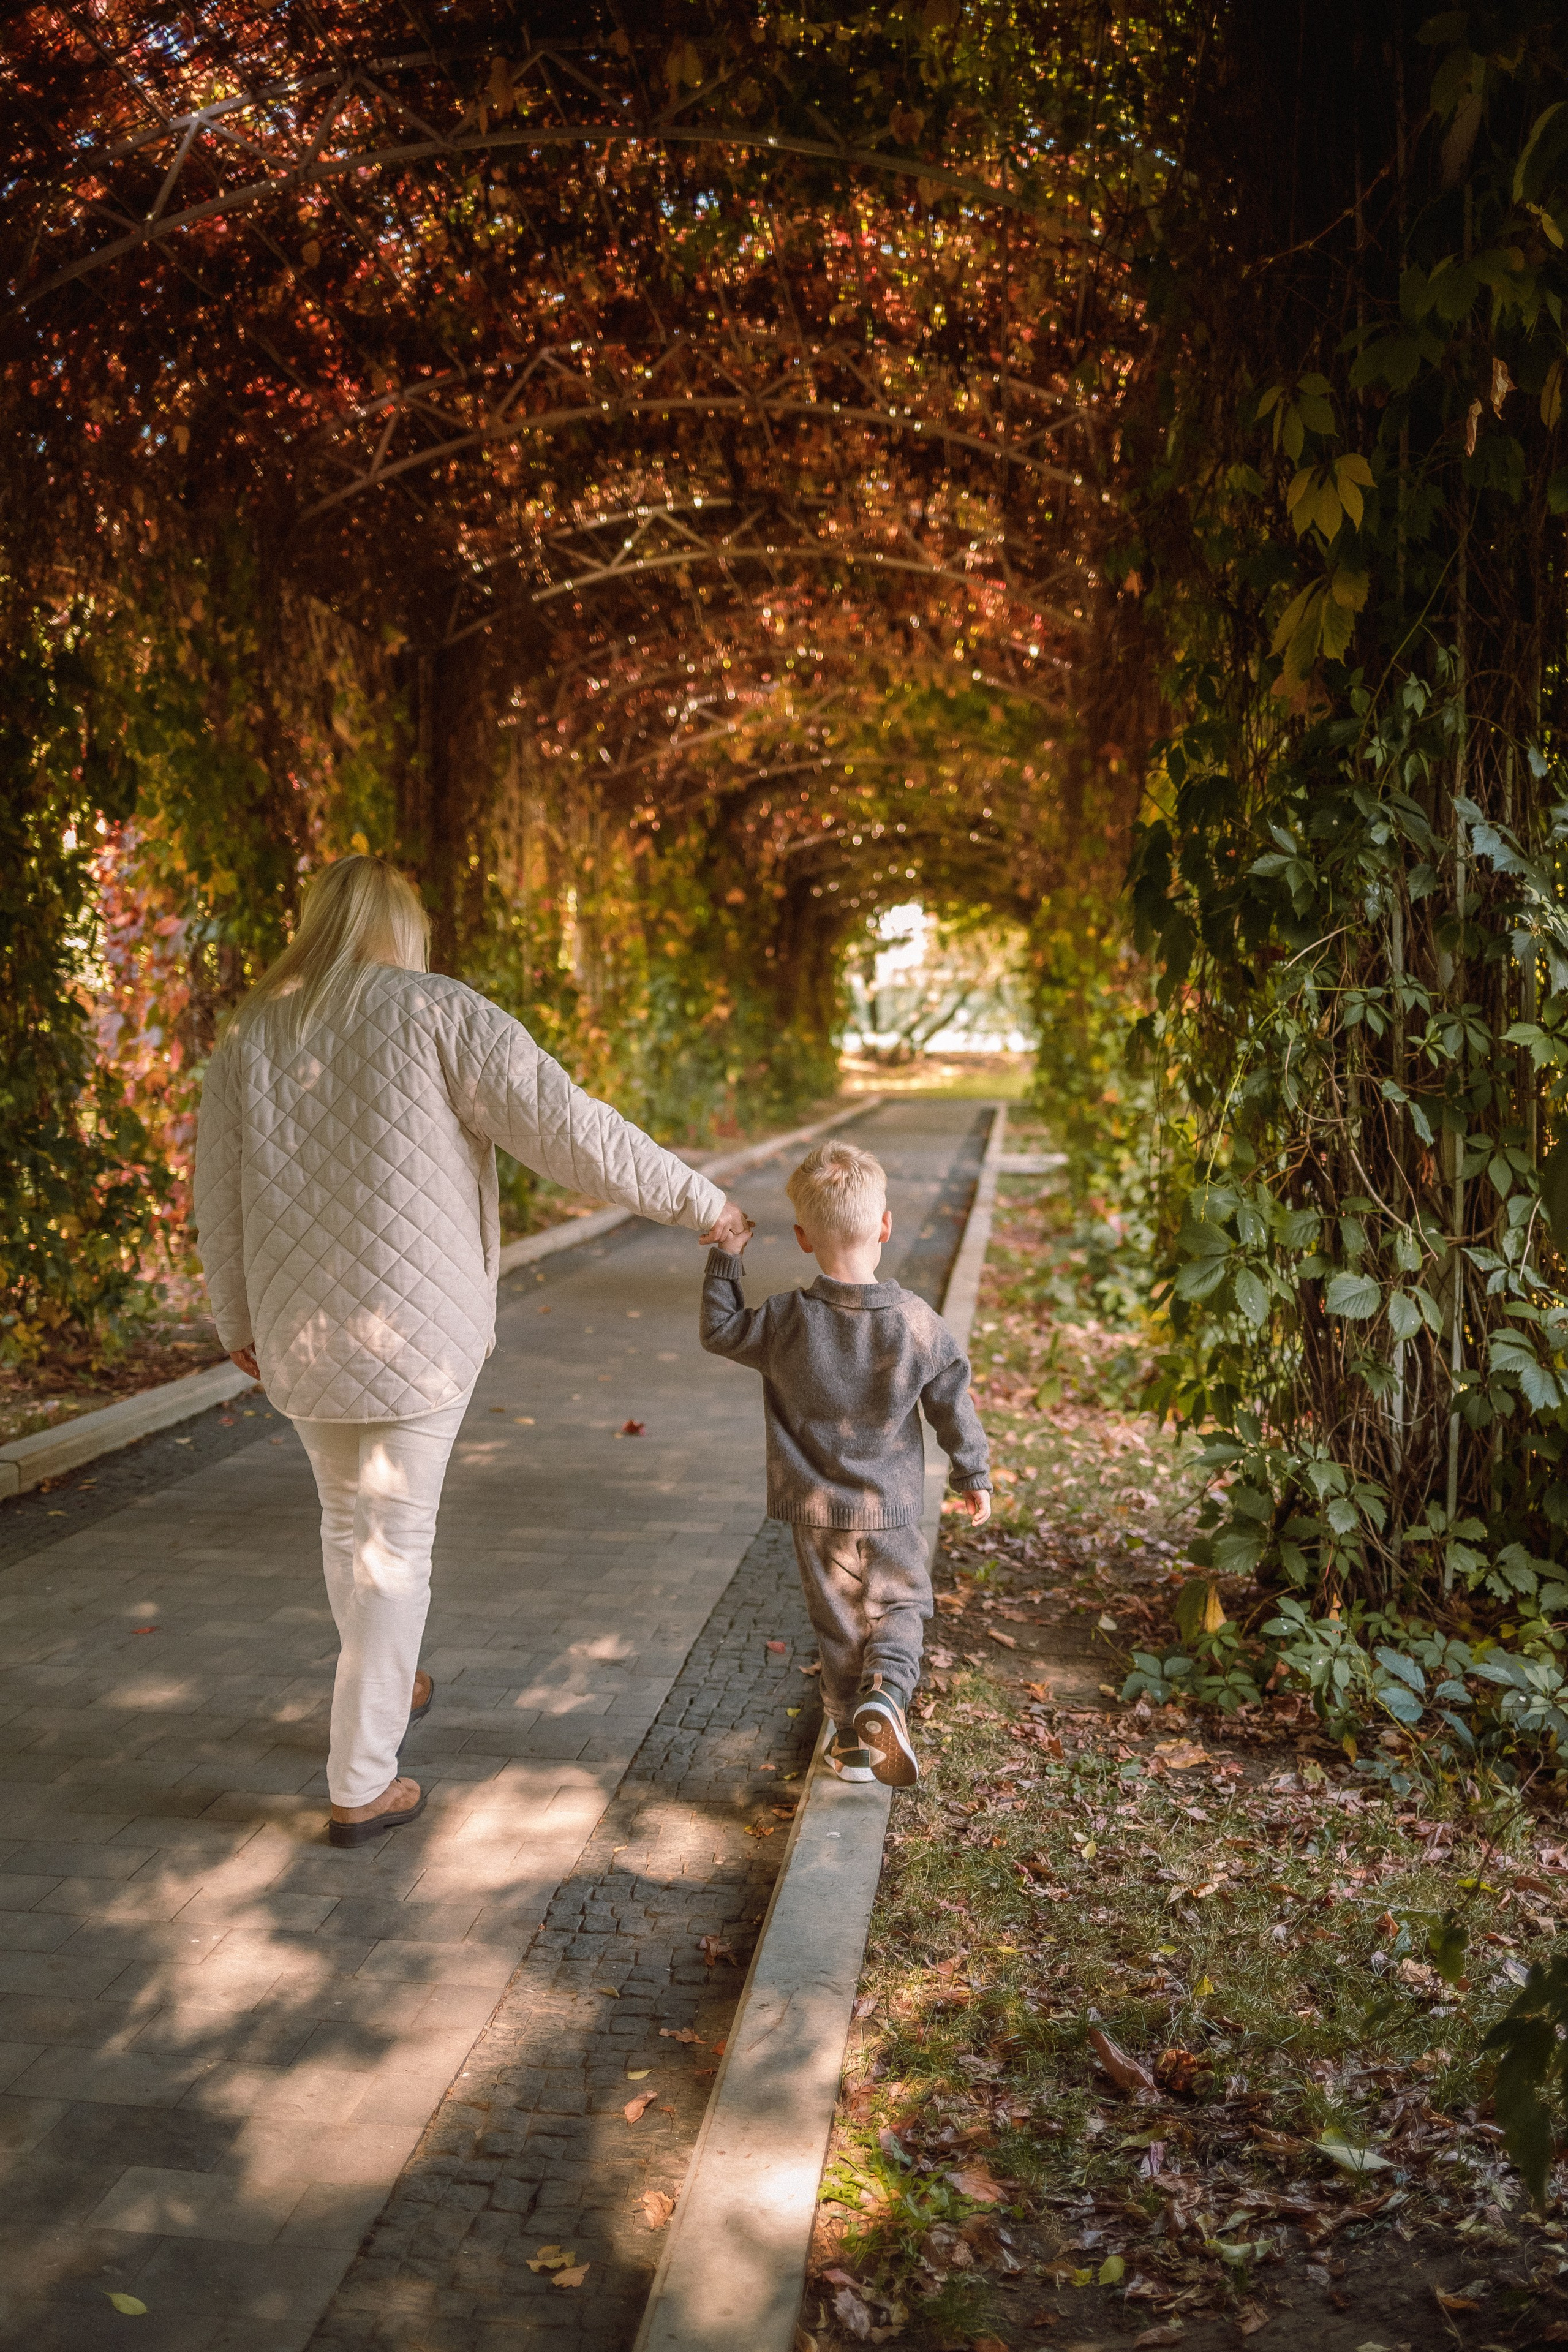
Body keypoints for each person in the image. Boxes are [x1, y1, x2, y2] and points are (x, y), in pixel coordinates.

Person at [193, 854, 750, 1847]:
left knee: (344, 1525)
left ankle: (390, 1686)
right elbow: (572, 1129)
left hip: (300, 1330)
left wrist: (234, 1314)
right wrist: (698, 1202)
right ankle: (362, 1782)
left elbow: (218, 1194)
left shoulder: (251, 1034)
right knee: (393, 1545)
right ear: (398, 931)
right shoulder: (439, 1012)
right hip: (418, 1335)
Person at [699, 1138, 990, 1787]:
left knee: (838, 1624)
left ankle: (850, 1743)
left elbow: (720, 1331)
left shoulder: (784, 1320)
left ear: (803, 1237)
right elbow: (951, 1400)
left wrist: (727, 1258)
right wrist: (972, 1472)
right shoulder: (916, 1323)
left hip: (813, 1512)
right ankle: (886, 1693)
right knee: (901, 1607)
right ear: (885, 1226)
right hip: (888, 1508)